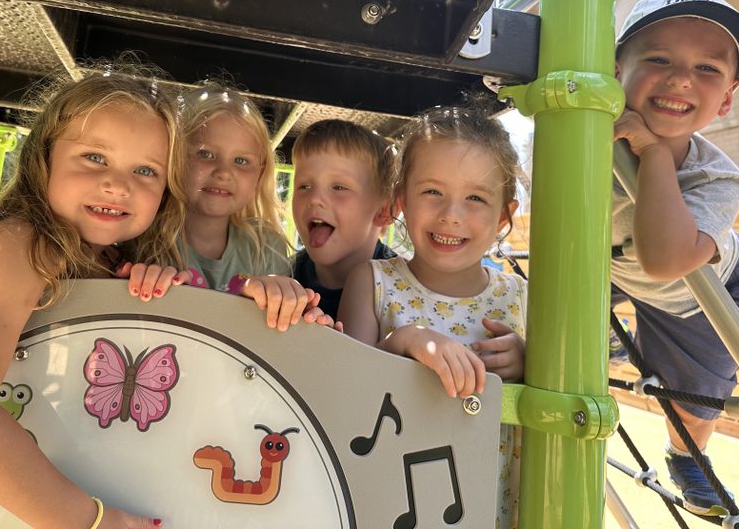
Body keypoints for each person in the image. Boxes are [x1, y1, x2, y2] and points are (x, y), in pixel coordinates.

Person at [0, 69, 185, 529]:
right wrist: (90, 522)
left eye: (146, 170)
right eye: (93, 157)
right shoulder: (20, 245)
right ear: (43, 159)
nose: (117, 185)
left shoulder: (125, 259)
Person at [612, 0, 739, 515]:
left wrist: (653, 153)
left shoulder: (719, 178)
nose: (681, 77)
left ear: (726, 97)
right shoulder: (586, 137)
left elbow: (664, 261)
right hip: (614, 266)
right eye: (659, 59)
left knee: (695, 397)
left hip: (703, 289)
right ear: (616, 71)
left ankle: (687, 455)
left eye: (707, 69)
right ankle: (617, 337)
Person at [339, 105, 527, 529]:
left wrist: (526, 358)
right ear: (402, 200)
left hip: (493, 508)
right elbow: (346, 392)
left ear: (503, 215)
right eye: (432, 192)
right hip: (390, 506)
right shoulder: (372, 281)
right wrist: (403, 340)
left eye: (475, 198)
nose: (451, 214)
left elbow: (556, 391)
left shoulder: (520, 298)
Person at [148, 82, 315, 332]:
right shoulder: (145, 238)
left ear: (259, 174)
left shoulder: (265, 245)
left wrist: (279, 298)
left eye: (241, 160)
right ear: (174, 156)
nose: (224, 172)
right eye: (205, 154)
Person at [290, 119, 397, 320]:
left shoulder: (404, 289)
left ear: (385, 210)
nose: (314, 199)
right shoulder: (282, 274)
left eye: (339, 187)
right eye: (304, 186)